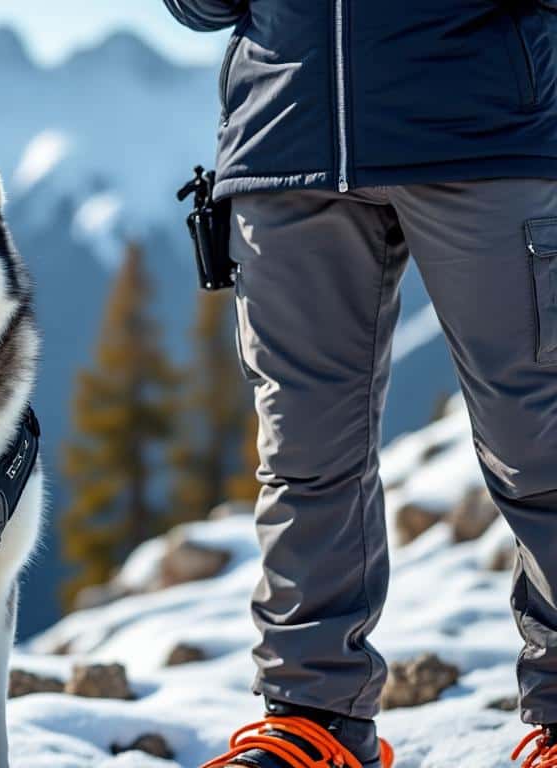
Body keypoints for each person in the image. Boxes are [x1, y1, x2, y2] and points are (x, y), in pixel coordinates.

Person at [162, 1, 557, 766]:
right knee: (305, 457)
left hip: (481, 130)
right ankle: (315, 721)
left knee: (539, 443)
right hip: (287, 135)